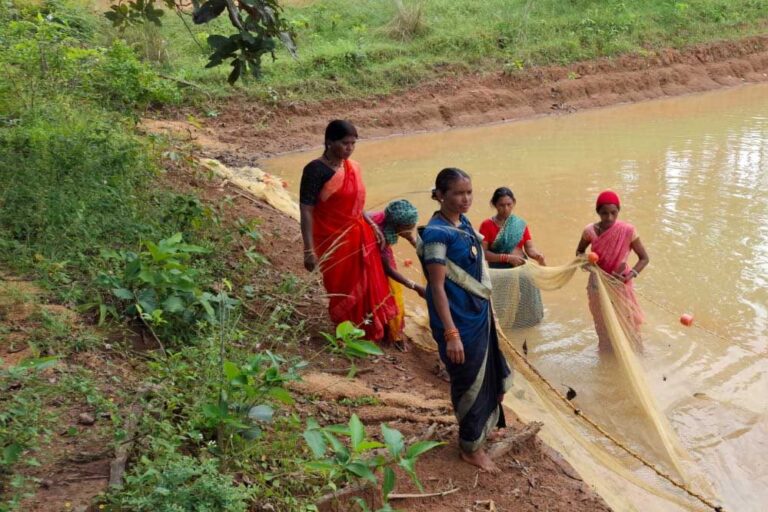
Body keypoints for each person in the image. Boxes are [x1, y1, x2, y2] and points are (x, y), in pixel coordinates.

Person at [418, 168, 512, 474]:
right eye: (458, 193)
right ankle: (470, 448)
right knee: (468, 380)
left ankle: (482, 429)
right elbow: (436, 287)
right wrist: (451, 333)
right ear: (441, 194)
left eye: (469, 192)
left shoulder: (464, 222)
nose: (465, 199)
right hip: (458, 321)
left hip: (478, 314)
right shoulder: (436, 234)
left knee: (486, 376)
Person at [299, 120, 396, 342]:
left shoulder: (352, 167)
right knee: (341, 285)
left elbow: (356, 205)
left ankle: (371, 330)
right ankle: (347, 331)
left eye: (353, 143)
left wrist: (372, 225)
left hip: (359, 234)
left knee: (369, 281)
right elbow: (306, 209)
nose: (349, 148)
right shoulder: (315, 170)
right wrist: (308, 249)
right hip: (331, 238)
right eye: (345, 143)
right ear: (329, 142)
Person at [576, 190, 649, 351]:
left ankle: (637, 355)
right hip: (597, 285)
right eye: (604, 213)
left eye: (613, 213)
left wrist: (630, 275)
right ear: (598, 212)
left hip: (620, 283)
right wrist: (586, 264)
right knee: (602, 325)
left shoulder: (628, 231)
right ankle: (606, 357)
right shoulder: (590, 231)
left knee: (628, 324)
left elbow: (644, 258)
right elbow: (579, 252)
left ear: (618, 211)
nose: (609, 218)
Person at [479, 187, 546, 328]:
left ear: (514, 203)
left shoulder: (520, 224)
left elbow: (529, 248)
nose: (505, 209)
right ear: (494, 205)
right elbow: (483, 254)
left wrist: (537, 256)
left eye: (509, 204)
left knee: (527, 301)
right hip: (500, 271)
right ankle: (504, 329)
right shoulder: (487, 225)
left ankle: (527, 329)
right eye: (501, 205)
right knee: (503, 303)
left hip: (522, 268)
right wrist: (507, 258)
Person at [369, 199, 426, 351]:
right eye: (408, 227)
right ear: (397, 226)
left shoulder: (385, 218)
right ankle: (392, 335)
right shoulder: (380, 236)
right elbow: (388, 270)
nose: (410, 230)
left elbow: (410, 238)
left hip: (378, 256)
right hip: (371, 260)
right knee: (392, 294)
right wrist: (415, 287)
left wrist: (413, 240)